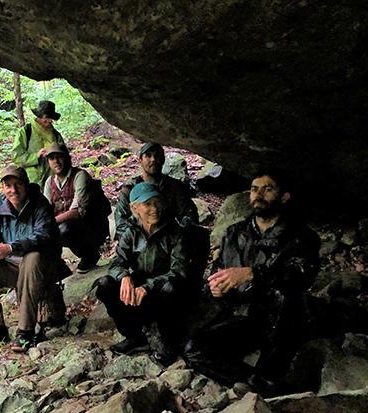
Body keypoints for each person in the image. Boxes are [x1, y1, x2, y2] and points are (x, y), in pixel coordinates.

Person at [184, 168, 321, 396]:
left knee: (282, 295)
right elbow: (218, 272)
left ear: (284, 196)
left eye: (268, 189)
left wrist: (253, 274)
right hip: (241, 317)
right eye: (254, 189)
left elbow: (299, 276)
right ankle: (257, 384)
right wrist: (216, 287)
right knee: (194, 349)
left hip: (280, 319)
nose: (258, 195)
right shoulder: (234, 233)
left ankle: (266, 378)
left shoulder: (301, 236)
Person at [0, 165, 67, 352]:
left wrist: (11, 247)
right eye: (7, 185)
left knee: (32, 257)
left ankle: (25, 331)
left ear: (26, 185)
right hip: (15, 267)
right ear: (3, 188)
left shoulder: (40, 205)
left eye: (17, 184)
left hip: (45, 267)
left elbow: (44, 237)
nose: (13, 190)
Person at [95, 182, 192, 363]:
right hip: (139, 296)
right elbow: (116, 263)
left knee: (171, 289)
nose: (154, 209)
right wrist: (124, 277)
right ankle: (134, 336)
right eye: (148, 204)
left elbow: (179, 271)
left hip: (164, 294)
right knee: (105, 284)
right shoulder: (132, 232)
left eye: (157, 203)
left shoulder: (175, 232)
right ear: (135, 208)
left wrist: (148, 286)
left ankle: (170, 342)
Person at [43, 142, 111, 273]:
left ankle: (90, 256)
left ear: (67, 158)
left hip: (92, 227)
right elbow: (45, 210)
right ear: (48, 162)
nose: (56, 161)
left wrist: (51, 223)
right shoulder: (49, 182)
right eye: (52, 158)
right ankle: (59, 268)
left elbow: (77, 212)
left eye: (59, 157)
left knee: (63, 229)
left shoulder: (80, 176)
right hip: (68, 226)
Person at [114, 141, 198, 238]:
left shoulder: (174, 186)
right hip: (140, 242)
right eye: (148, 156)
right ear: (140, 161)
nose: (153, 160)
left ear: (163, 160)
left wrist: (178, 237)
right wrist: (138, 240)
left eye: (157, 155)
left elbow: (189, 214)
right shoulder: (129, 189)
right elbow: (121, 222)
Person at [12, 100, 65, 187]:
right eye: (47, 119)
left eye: (51, 118)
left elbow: (65, 156)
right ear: (38, 117)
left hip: (53, 183)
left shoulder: (55, 135)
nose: (50, 121)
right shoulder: (26, 132)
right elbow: (16, 157)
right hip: (31, 183)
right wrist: (36, 156)